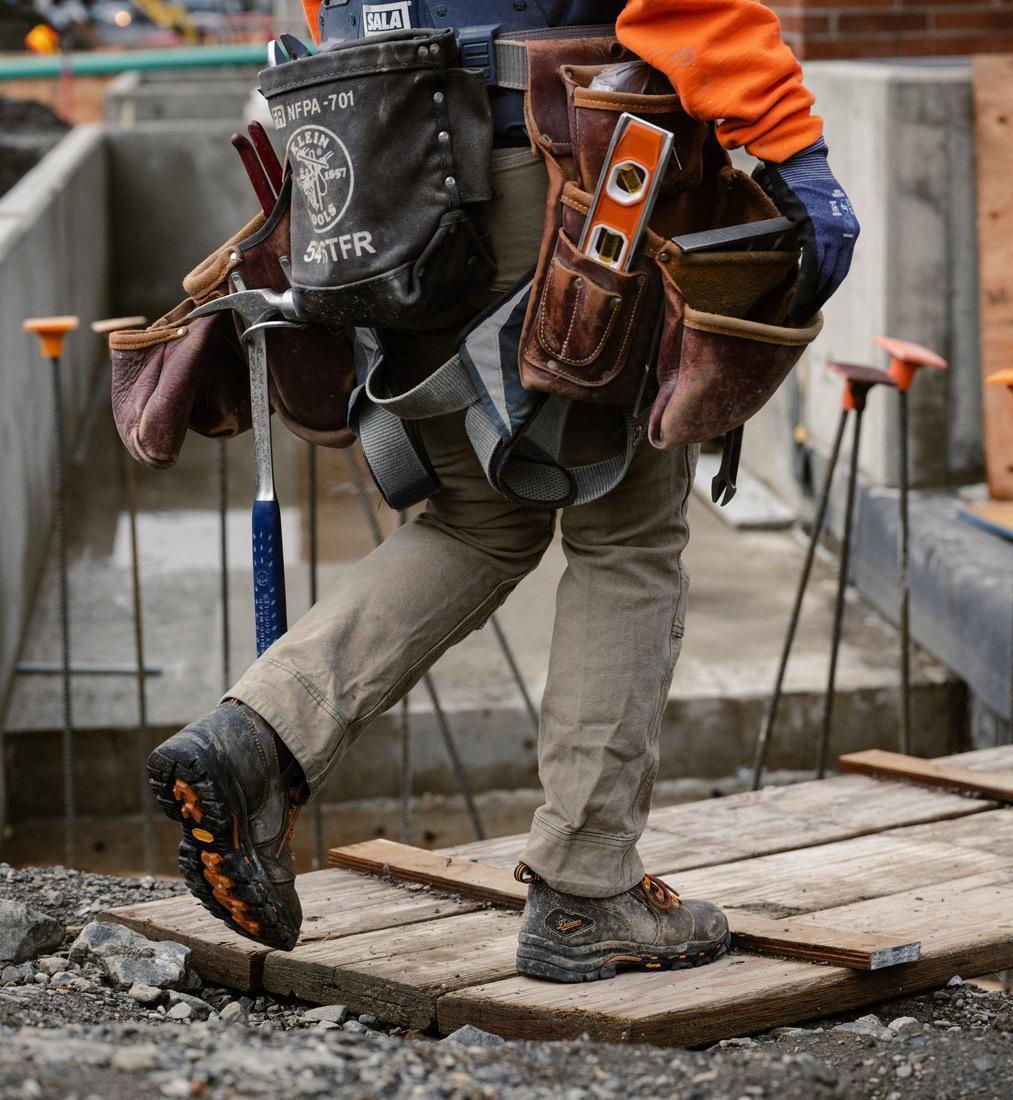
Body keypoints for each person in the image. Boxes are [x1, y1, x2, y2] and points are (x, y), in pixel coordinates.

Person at [147, 0, 858, 983]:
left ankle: (258, 736)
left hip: (377, 171)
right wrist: (789, 145)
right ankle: (586, 889)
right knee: (623, 534)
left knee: (476, 518)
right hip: (557, 164)